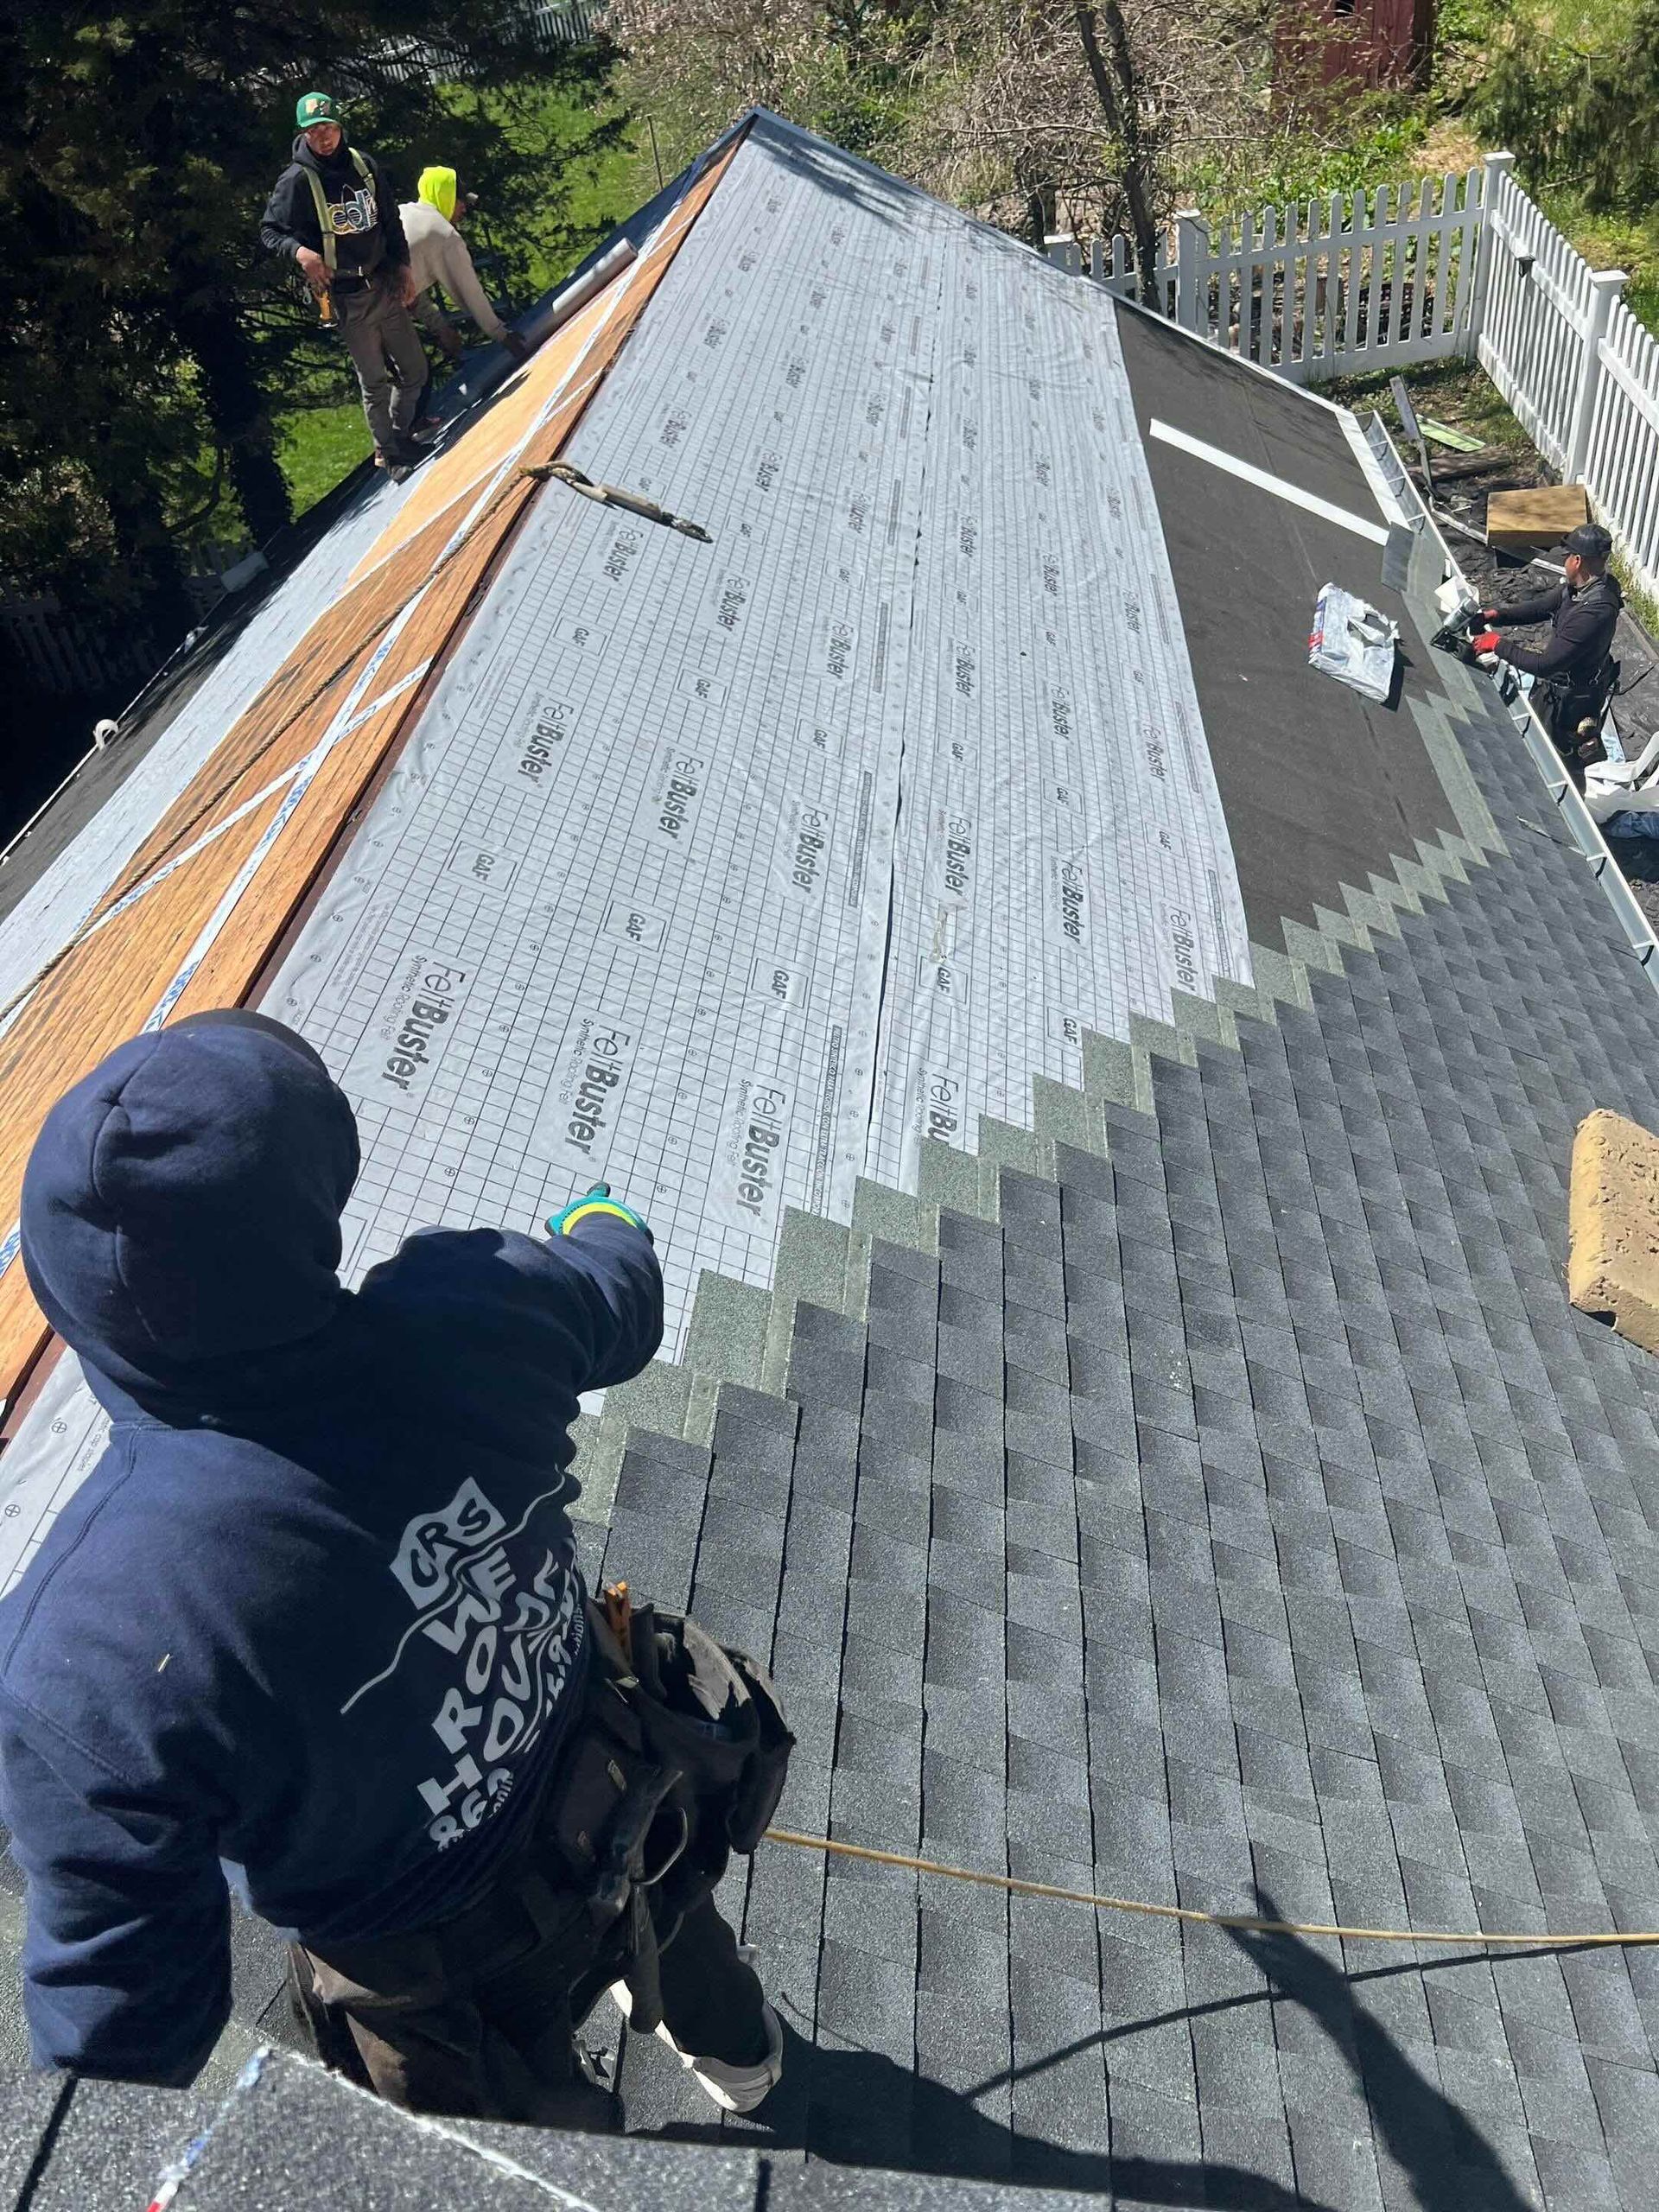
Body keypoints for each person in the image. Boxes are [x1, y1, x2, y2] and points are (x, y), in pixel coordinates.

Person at [0, 1009, 787, 2125]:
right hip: (607, 1787)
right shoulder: (476, 1311)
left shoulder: (88, 1655)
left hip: (433, 1985)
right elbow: (621, 1283)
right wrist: (595, 1214)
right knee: (677, 1920)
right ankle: (750, 2068)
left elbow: (123, 2064)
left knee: (523, 2163)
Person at [260, 92, 429, 477]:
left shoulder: (362, 165)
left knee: (415, 369)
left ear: (340, 127)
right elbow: (270, 232)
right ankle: (389, 455)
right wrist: (300, 252)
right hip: (347, 296)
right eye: (314, 129)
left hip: (383, 282)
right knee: (374, 382)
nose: (324, 136)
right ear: (304, 135)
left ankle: (398, 437)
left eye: (329, 127)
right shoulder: (296, 181)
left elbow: (389, 219)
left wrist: (403, 266)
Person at [1471, 522, 1623, 761]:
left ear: (1577, 560)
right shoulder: (1579, 589)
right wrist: (1498, 615)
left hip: (1571, 702)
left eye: (1566, 557)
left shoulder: (1593, 613)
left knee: (1555, 758)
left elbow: (1546, 666)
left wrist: (1497, 644)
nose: (1564, 563)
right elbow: (1542, 608)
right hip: (1561, 691)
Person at [402, 166, 532, 368]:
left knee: (401, 379)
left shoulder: (406, 212)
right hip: (377, 312)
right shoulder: (442, 234)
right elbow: (469, 291)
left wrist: (441, 328)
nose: (465, 208)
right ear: (444, 196)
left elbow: (409, 288)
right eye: (460, 200)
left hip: (354, 305)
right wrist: (502, 334)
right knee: (412, 376)